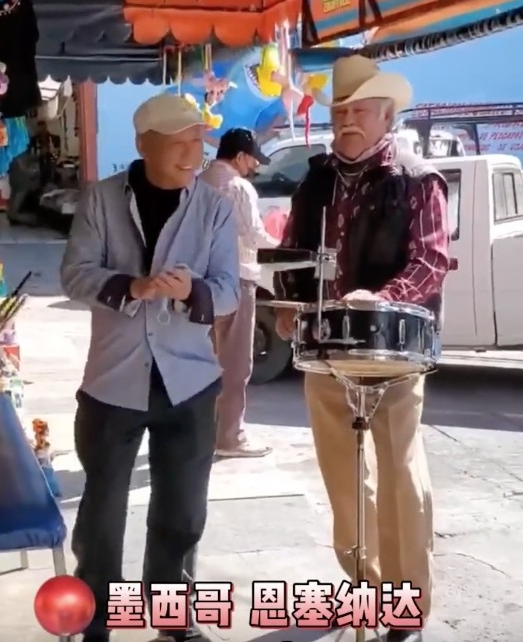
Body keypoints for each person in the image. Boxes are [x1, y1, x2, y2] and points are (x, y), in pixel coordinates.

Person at [274, 55, 450, 642]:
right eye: (340, 111)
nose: (347, 120)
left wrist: (383, 295)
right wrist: (288, 299)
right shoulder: (315, 176)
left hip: (394, 349)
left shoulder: (417, 178)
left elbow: (431, 260)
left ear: (387, 116)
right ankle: (364, 585)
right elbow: (294, 251)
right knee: (342, 477)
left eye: (358, 111)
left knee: (400, 474)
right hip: (325, 348)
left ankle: (406, 600)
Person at [61, 93, 240, 642]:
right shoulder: (102, 199)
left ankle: (172, 618)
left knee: (183, 513)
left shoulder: (215, 206)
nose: (195, 152)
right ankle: (95, 620)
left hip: (188, 381)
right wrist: (130, 287)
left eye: (199, 141)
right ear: (145, 145)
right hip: (113, 380)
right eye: (181, 141)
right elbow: (75, 274)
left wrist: (193, 293)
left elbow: (231, 289)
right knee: (103, 512)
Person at [200, 127, 277, 457]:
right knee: (235, 363)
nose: (255, 167)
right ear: (240, 156)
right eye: (252, 160)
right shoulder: (238, 187)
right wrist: (283, 241)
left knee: (204, 360)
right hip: (236, 279)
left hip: (200, 281)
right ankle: (230, 437)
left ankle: (204, 432)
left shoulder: (199, 182)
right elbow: (254, 236)